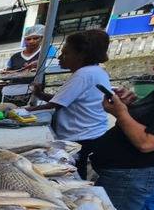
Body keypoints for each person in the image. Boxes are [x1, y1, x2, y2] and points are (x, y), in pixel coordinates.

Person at [89, 33, 154, 210]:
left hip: (131, 177)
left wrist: (120, 113)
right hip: (121, 173)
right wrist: (132, 104)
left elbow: (146, 143)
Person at [27, 30, 112, 179]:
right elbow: (64, 99)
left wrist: (23, 111)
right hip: (91, 134)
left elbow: (54, 105)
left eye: (66, 53)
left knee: (73, 175)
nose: (60, 57)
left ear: (81, 56)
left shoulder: (83, 75)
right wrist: (40, 95)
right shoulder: (95, 71)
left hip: (82, 138)